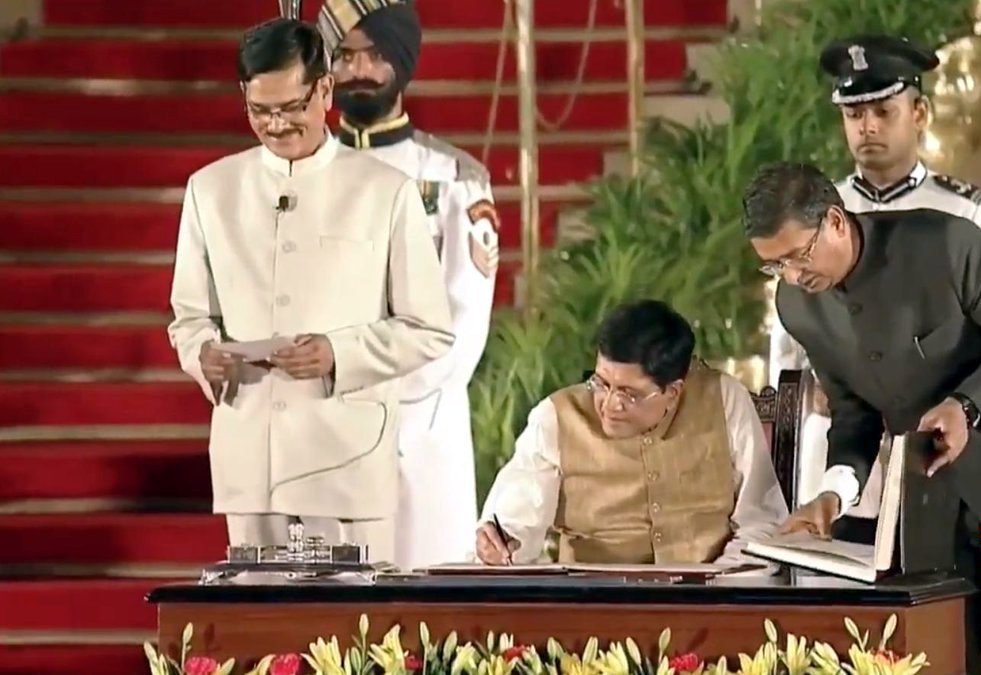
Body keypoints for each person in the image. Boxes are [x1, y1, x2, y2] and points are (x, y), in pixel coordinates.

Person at [167, 17, 454, 564]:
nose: (276, 125)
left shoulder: (384, 192)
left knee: (356, 643)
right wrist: (202, 355)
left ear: (324, 90)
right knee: (258, 642)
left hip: (346, 457)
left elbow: (429, 327)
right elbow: (189, 317)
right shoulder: (210, 190)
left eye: (291, 108)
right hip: (250, 457)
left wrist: (337, 354)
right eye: (260, 111)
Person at [743, 161, 981, 672]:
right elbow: (853, 415)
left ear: (834, 220)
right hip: (929, 512)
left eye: (797, 256)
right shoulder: (798, 305)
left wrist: (966, 404)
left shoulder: (946, 244)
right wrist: (832, 495)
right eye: (773, 265)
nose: (790, 276)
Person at [315, 0, 499, 569]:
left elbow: (464, 317)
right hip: (324, 414)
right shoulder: (297, 175)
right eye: (344, 56)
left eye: (374, 55)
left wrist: (390, 399)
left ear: (401, 61)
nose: (359, 70)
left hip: (424, 421)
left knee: (426, 600)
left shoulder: (454, 176)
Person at [767, 34, 981, 506]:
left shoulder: (963, 216)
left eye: (884, 112)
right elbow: (789, 353)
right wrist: (811, 394)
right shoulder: (807, 219)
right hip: (853, 446)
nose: (867, 127)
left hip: (955, 440)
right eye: (854, 114)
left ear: (920, 114)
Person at [475, 300, 789, 567]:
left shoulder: (724, 398)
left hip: (712, 600)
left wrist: (719, 590)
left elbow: (761, 520)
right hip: (594, 609)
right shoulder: (556, 418)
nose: (610, 404)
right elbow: (514, 527)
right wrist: (503, 545)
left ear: (672, 391)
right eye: (600, 383)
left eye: (629, 394)